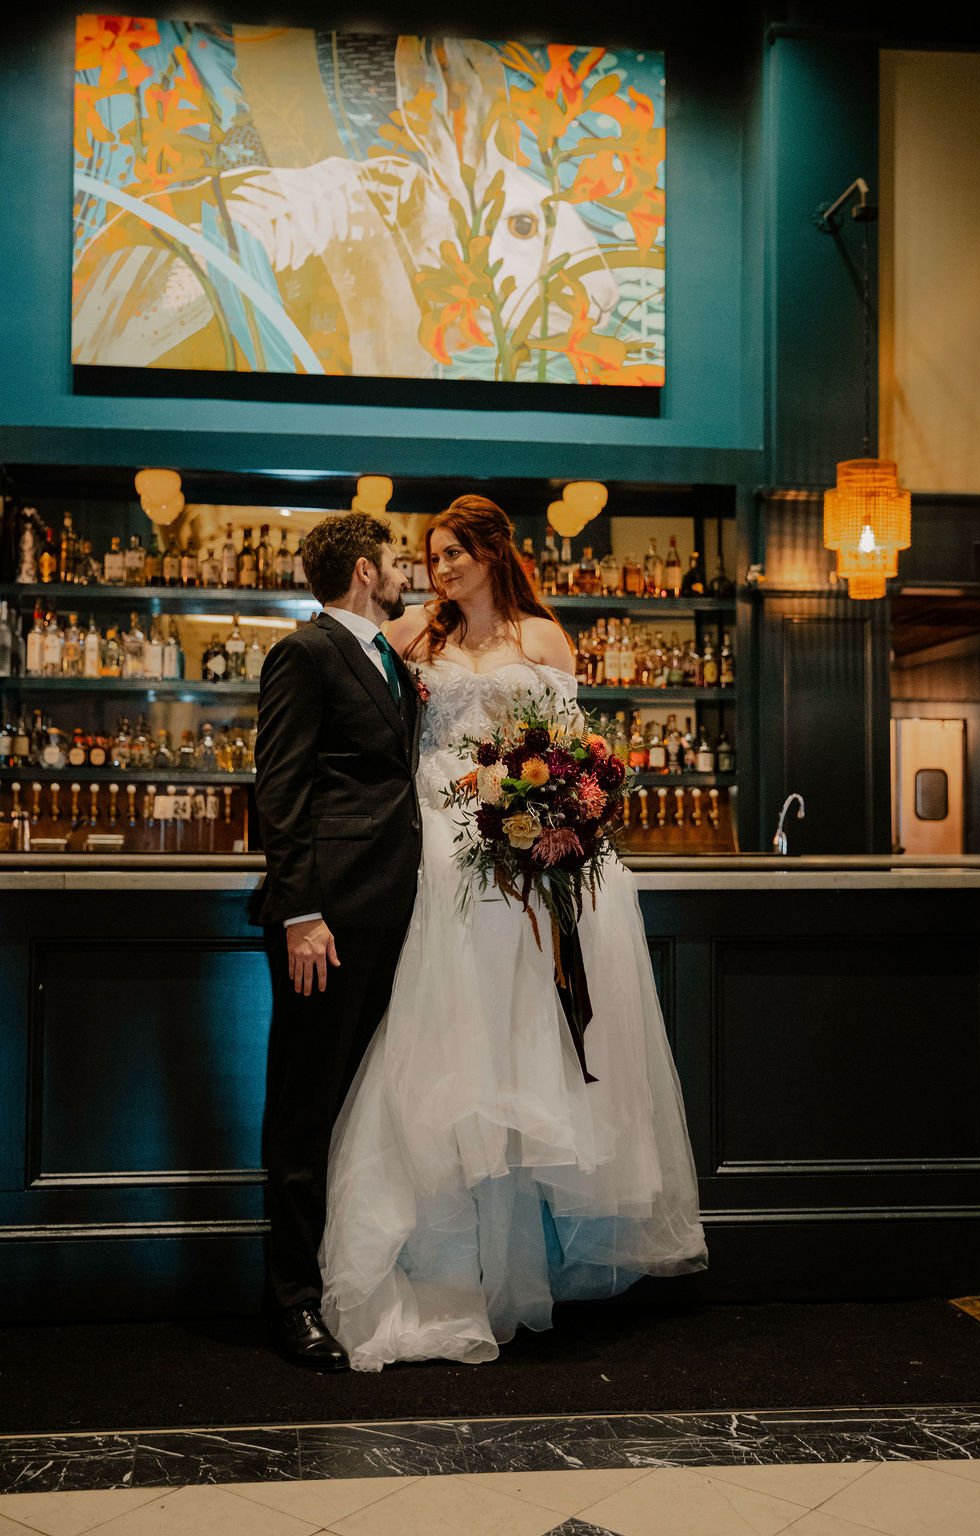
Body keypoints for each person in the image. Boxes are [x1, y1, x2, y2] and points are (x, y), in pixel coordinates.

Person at [317, 495, 708, 1370]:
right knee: (450, 1037)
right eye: (432, 555)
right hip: (437, 845)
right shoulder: (419, 635)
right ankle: (449, 1267)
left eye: (455, 552)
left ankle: (528, 1267)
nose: (442, 568)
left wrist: (554, 813)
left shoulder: (543, 638)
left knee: (531, 1044)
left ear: (494, 553)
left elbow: (568, 749)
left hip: (526, 855)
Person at [253, 512, 423, 1370]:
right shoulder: (306, 652)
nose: (406, 572)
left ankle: (352, 1280)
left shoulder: (392, 657)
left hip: (399, 913)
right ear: (365, 571)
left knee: (367, 1111)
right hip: (331, 921)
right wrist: (300, 913)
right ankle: (293, 1302)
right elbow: (278, 791)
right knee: (306, 1109)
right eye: (396, 560)